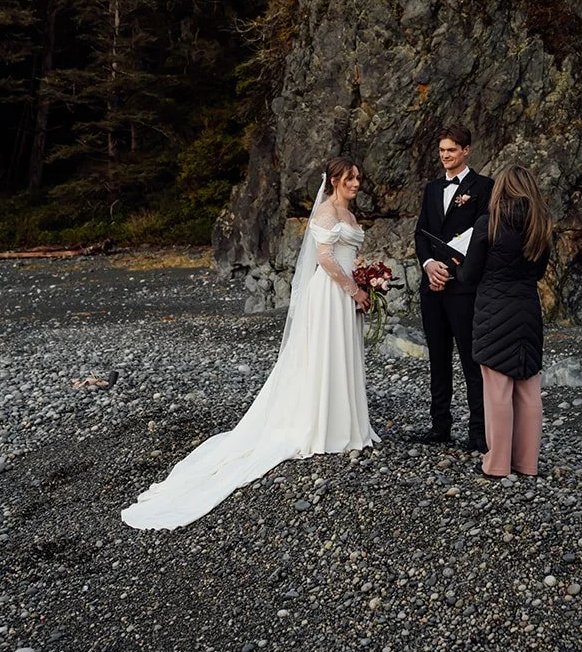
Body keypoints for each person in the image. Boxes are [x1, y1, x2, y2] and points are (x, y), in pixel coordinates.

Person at [122, 157, 378, 529]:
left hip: (346, 294)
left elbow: (348, 254)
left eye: (358, 177)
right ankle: (326, 426)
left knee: (343, 356)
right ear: (335, 180)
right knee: (326, 357)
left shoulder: (349, 215)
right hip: (331, 294)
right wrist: (354, 288)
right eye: (351, 178)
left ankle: (349, 422)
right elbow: (323, 258)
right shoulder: (325, 212)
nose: (357, 183)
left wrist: (367, 280)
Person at [457, 165, 553, 478]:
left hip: (493, 312)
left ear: (501, 190)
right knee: (528, 388)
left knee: (497, 390)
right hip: (527, 310)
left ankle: (497, 464)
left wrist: (460, 263)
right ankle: (527, 464)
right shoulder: (540, 226)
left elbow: (469, 275)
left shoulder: (488, 224)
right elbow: (537, 273)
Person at [412, 125, 493, 450]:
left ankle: (479, 432)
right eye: (442, 150)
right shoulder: (432, 189)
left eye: (452, 150)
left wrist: (453, 266)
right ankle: (440, 426)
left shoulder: (483, 186)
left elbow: (482, 230)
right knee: (438, 359)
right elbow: (421, 232)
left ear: (466, 150)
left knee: (471, 361)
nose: (446, 155)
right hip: (432, 286)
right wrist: (429, 265)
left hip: (463, 286)